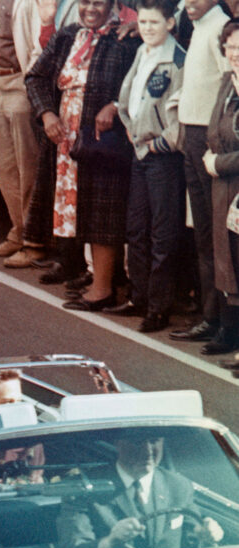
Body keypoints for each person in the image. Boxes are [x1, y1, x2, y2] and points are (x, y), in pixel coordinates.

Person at [24, 0, 141, 312]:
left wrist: (116, 106)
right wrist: (47, 114)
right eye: (85, 2)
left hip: (103, 140)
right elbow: (35, 77)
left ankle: (103, 288)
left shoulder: (126, 39)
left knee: (103, 210)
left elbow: (138, 83)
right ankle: (95, 279)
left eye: (98, 3)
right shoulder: (68, 35)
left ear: (112, 5)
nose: (91, 9)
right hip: (65, 138)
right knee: (77, 210)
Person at [113, 0, 187, 333]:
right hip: (139, 151)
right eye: (142, 22)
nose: (146, 28)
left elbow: (182, 113)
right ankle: (138, 295)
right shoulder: (143, 52)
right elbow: (129, 97)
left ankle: (159, 307)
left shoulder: (177, 60)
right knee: (135, 229)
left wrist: (162, 142)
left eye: (154, 23)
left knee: (163, 233)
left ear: (171, 23)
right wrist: (129, 125)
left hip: (162, 156)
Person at [56, 435, 224, 548]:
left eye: (154, 441)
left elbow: (192, 538)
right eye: (137, 442)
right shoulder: (84, 489)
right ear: (117, 443)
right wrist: (111, 542)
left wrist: (207, 535)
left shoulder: (178, 485)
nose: (147, 451)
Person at [169, 0, 232, 348]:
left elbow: (230, 86)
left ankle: (222, 321)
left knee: (215, 236)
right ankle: (211, 315)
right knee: (203, 233)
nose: (186, 2)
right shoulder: (199, 25)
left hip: (210, 139)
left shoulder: (220, 28)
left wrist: (213, 139)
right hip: (192, 133)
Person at [0, 0, 50, 268]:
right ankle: (18, 232)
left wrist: (28, 80)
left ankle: (34, 243)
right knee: (5, 168)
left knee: (27, 168)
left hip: (20, 83)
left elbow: (39, 47)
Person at [200, 17, 239, 355]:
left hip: (230, 177)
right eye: (230, 47)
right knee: (225, 257)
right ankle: (230, 330)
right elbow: (215, 130)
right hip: (223, 186)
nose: (235, 53)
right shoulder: (228, 81)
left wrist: (218, 163)